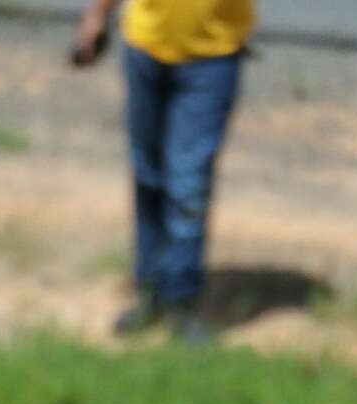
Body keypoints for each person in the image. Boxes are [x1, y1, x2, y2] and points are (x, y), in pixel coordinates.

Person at [73, 0, 255, 339]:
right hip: (145, 46)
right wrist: (96, 17)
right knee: (148, 174)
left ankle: (181, 298)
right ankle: (150, 288)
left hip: (212, 55)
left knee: (188, 180)